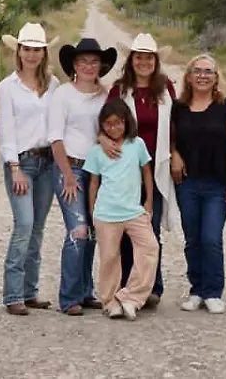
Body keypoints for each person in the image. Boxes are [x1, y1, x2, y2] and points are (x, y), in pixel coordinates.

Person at [105, 32, 178, 308]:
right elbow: (106, 122)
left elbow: (174, 125)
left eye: (149, 58)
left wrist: (176, 153)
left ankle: (151, 286)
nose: (144, 62)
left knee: (149, 228)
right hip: (126, 168)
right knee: (126, 229)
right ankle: (126, 285)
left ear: (156, 61)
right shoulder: (120, 90)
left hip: (155, 166)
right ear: (131, 60)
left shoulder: (165, 90)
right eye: (139, 57)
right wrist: (103, 139)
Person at [0, 23, 61, 315]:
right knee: (23, 224)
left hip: (47, 161)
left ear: (44, 53)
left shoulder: (53, 85)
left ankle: (29, 291)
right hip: (21, 162)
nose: (32, 54)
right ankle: (13, 294)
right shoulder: (7, 88)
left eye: (37, 49)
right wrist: (14, 167)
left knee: (37, 228)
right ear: (18, 51)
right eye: (27, 49)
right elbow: (6, 130)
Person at [172, 53, 226, 314]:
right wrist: (175, 155)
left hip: (218, 183)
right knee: (192, 239)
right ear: (189, 77)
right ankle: (197, 290)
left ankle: (213, 292)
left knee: (211, 238)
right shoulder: (178, 108)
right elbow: (170, 138)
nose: (202, 76)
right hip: (187, 183)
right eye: (197, 71)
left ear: (216, 78)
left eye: (208, 71)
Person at [49, 37, 116, 315]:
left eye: (94, 61)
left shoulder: (106, 96)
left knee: (92, 232)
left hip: (98, 170)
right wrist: (67, 175)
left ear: (101, 66)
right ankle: (68, 297)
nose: (89, 66)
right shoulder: (63, 94)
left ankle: (85, 291)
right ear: (74, 65)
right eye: (83, 61)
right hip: (71, 167)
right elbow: (55, 137)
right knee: (77, 230)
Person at [85, 100, 159, 321]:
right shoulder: (97, 151)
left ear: (127, 122)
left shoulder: (137, 144)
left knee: (150, 248)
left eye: (118, 123)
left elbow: (146, 172)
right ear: (102, 125)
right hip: (106, 213)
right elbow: (93, 183)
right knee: (109, 257)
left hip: (134, 211)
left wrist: (149, 202)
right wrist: (92, 210)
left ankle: (131, 297)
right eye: (108, 124)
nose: (113, 128)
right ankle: (109, 302)